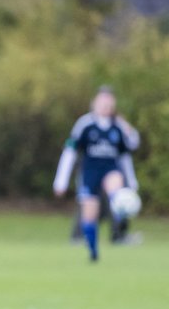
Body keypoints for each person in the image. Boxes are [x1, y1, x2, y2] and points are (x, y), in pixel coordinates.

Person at [54, 87, 140, 262]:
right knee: (89, 215)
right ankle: (93, 252)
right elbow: (70, 152)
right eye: (102, 100)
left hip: (111, 169)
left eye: (109, 101)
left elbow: (130, 149)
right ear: (95, 102)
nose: (106, 104)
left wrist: (131, 181)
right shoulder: (85, 124)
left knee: (116, 189)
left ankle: (120, 218)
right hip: (90, 173)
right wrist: (60, 181)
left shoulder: (118, 125)